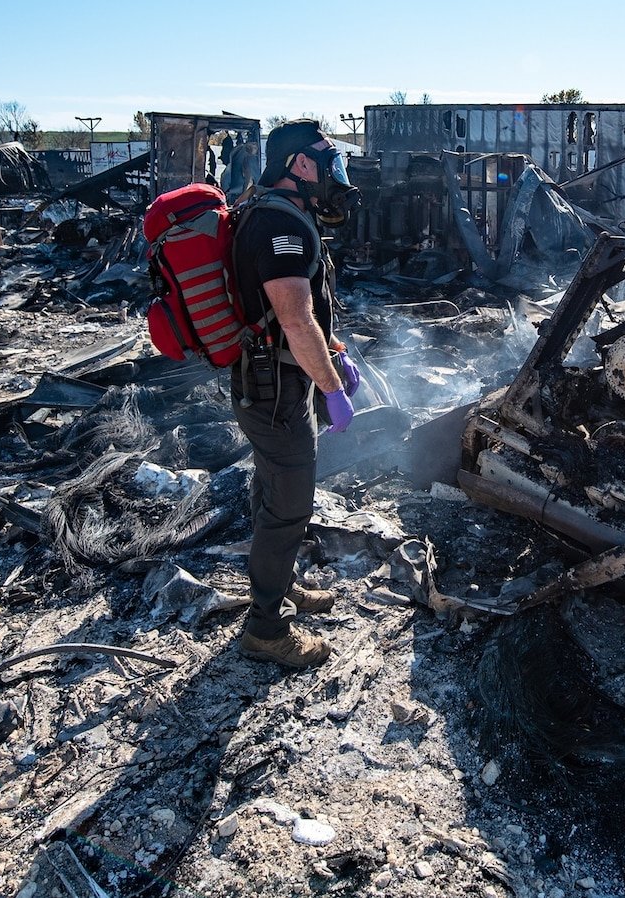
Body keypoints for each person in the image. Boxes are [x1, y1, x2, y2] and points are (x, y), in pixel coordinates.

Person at [231, 119, 362, 668]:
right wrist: (332, 389)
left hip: (277, 384)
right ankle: (265, 629)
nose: (338, 175)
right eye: (329, 163)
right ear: (300, 167)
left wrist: (333, 352)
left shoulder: (281, 214)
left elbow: (300, 311)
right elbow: (292, 317)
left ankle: (278, 588)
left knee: (273, 494)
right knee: (288, 507)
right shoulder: (277, 225)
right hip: (273, 391)